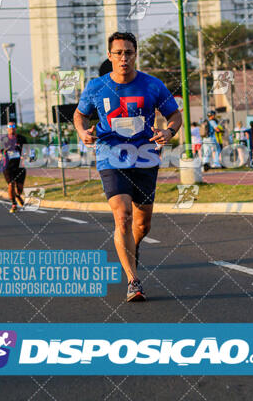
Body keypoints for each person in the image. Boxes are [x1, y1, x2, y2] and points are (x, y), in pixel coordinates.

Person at [74, 32, 181, 302]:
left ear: (136, 55)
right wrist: (81, 132)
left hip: (145, 156)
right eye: (119, 52)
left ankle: (133, 247)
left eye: (129, 52)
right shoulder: (96, 87)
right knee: (122, 216)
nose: (124, 57)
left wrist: (168, 133)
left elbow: (175, 115)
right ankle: (134, 281)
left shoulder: (153, 85)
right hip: (110, 155)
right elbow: (80, 114)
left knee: (142, 225)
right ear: (110, 56)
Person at [0, 121, 27, 213]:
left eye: (13, 126)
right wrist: (3, 152)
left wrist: (25, 154)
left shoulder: (21, 138)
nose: (12, 128)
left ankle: (18, 195)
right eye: (10, 126)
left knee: (20, 187)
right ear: (7, 128)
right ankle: (13, 203)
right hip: (8, 167)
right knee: (11, 184)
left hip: (20, 165)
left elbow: (27, 149)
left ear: (16, 128)